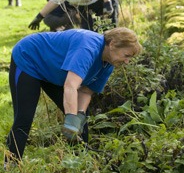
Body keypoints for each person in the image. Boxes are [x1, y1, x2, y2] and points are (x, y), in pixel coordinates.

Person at [5, 27, 142, 164]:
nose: (127, 62)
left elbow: (86, 91)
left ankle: (78, 163)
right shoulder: (88, 48)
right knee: (24, 118)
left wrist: (79, 115)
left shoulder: (108, 64)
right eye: (126, 55)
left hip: (53, 71)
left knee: (81, 119)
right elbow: (71, 86)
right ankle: (10, 166)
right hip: (29, 58)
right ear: (112, 44)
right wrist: (71, 119)